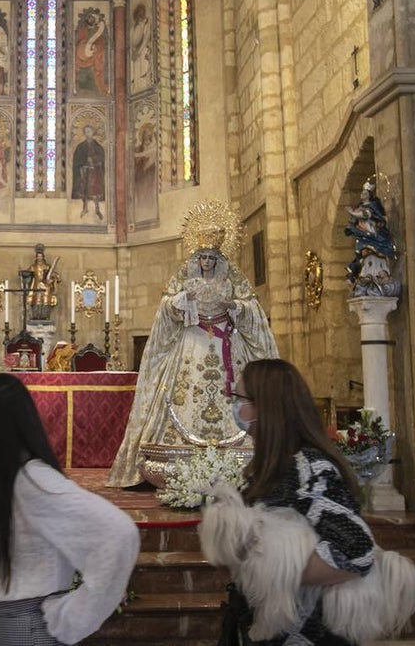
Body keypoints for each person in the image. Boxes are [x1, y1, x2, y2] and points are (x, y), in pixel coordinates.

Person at [0, 374, 140, 645]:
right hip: (8, 625)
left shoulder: (34, 481)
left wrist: (72, 616)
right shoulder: (10, 481)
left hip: (29, 628)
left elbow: (118, 533)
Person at [107, 203, 279, 487]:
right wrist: (181, 300)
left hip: (226, 341)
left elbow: (252, 308)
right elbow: (166, 308)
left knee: (235, 391)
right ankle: (179, 450)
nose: (207, 262)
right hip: (192, 339)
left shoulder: (232, 278)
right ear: (197, 258)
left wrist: (233, 305)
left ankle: (240, 448)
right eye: (203, 257)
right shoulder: (184, 278)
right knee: (184, 390)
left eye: (212, 257)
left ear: (218, 258)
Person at [213, 359, 375, 645]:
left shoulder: (310, 468)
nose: (234, 406)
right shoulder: (269, 466)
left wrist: (271, 570)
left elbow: (358, 551)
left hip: (306, 632)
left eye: (239, 398)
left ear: (266, 406)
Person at [71, 127, 105, 220]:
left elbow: (102, 159)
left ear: (93, 132)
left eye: (89, 131)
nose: (87, 133)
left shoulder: (97, 146)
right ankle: (85, 208)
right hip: (85, 173)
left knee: (96, 192)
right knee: (84, 191)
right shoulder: (81, 147)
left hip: (95, 172)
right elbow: (77, 160)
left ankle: (97, 209)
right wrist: (84, 164)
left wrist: (94, 161)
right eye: (85, 132)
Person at [24, 243, 59, 319]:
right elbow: (27, 275)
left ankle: (45, 317)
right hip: (36, 286)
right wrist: (23, 275)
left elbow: (55, 275)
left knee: (46, 300)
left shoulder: (47, 266)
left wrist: (52, 280)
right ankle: (36, 317)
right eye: (38, 256)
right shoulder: (33, 267)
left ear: (43, 257)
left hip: (46, 286)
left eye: (41, 256)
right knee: (37, 300)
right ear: (36, 258)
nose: (39, 258)